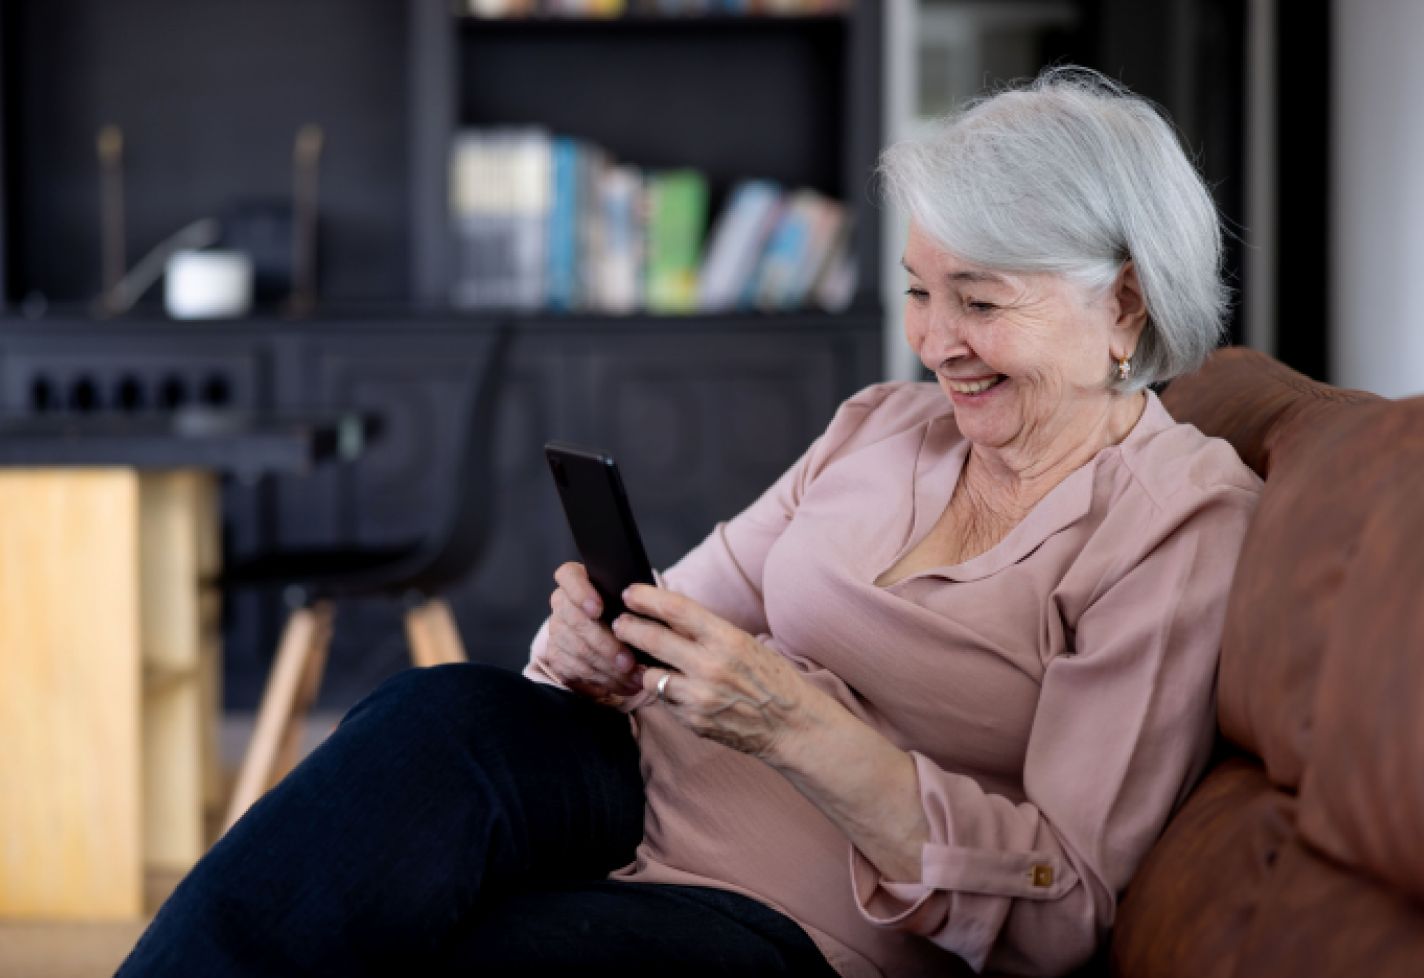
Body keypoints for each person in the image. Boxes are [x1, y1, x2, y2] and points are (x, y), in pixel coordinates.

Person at [116, 67, 1260, 978]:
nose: (934, 341)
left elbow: (1062, 905)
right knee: (439, 716)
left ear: (1121, 303)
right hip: (631, 784)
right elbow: (683, 611)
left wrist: (796, 727)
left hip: (797, 926)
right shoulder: (879, 428)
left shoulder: (1171, 523)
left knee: (445, 948)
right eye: (918, 291)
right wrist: (600, 649)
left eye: (980, 301)